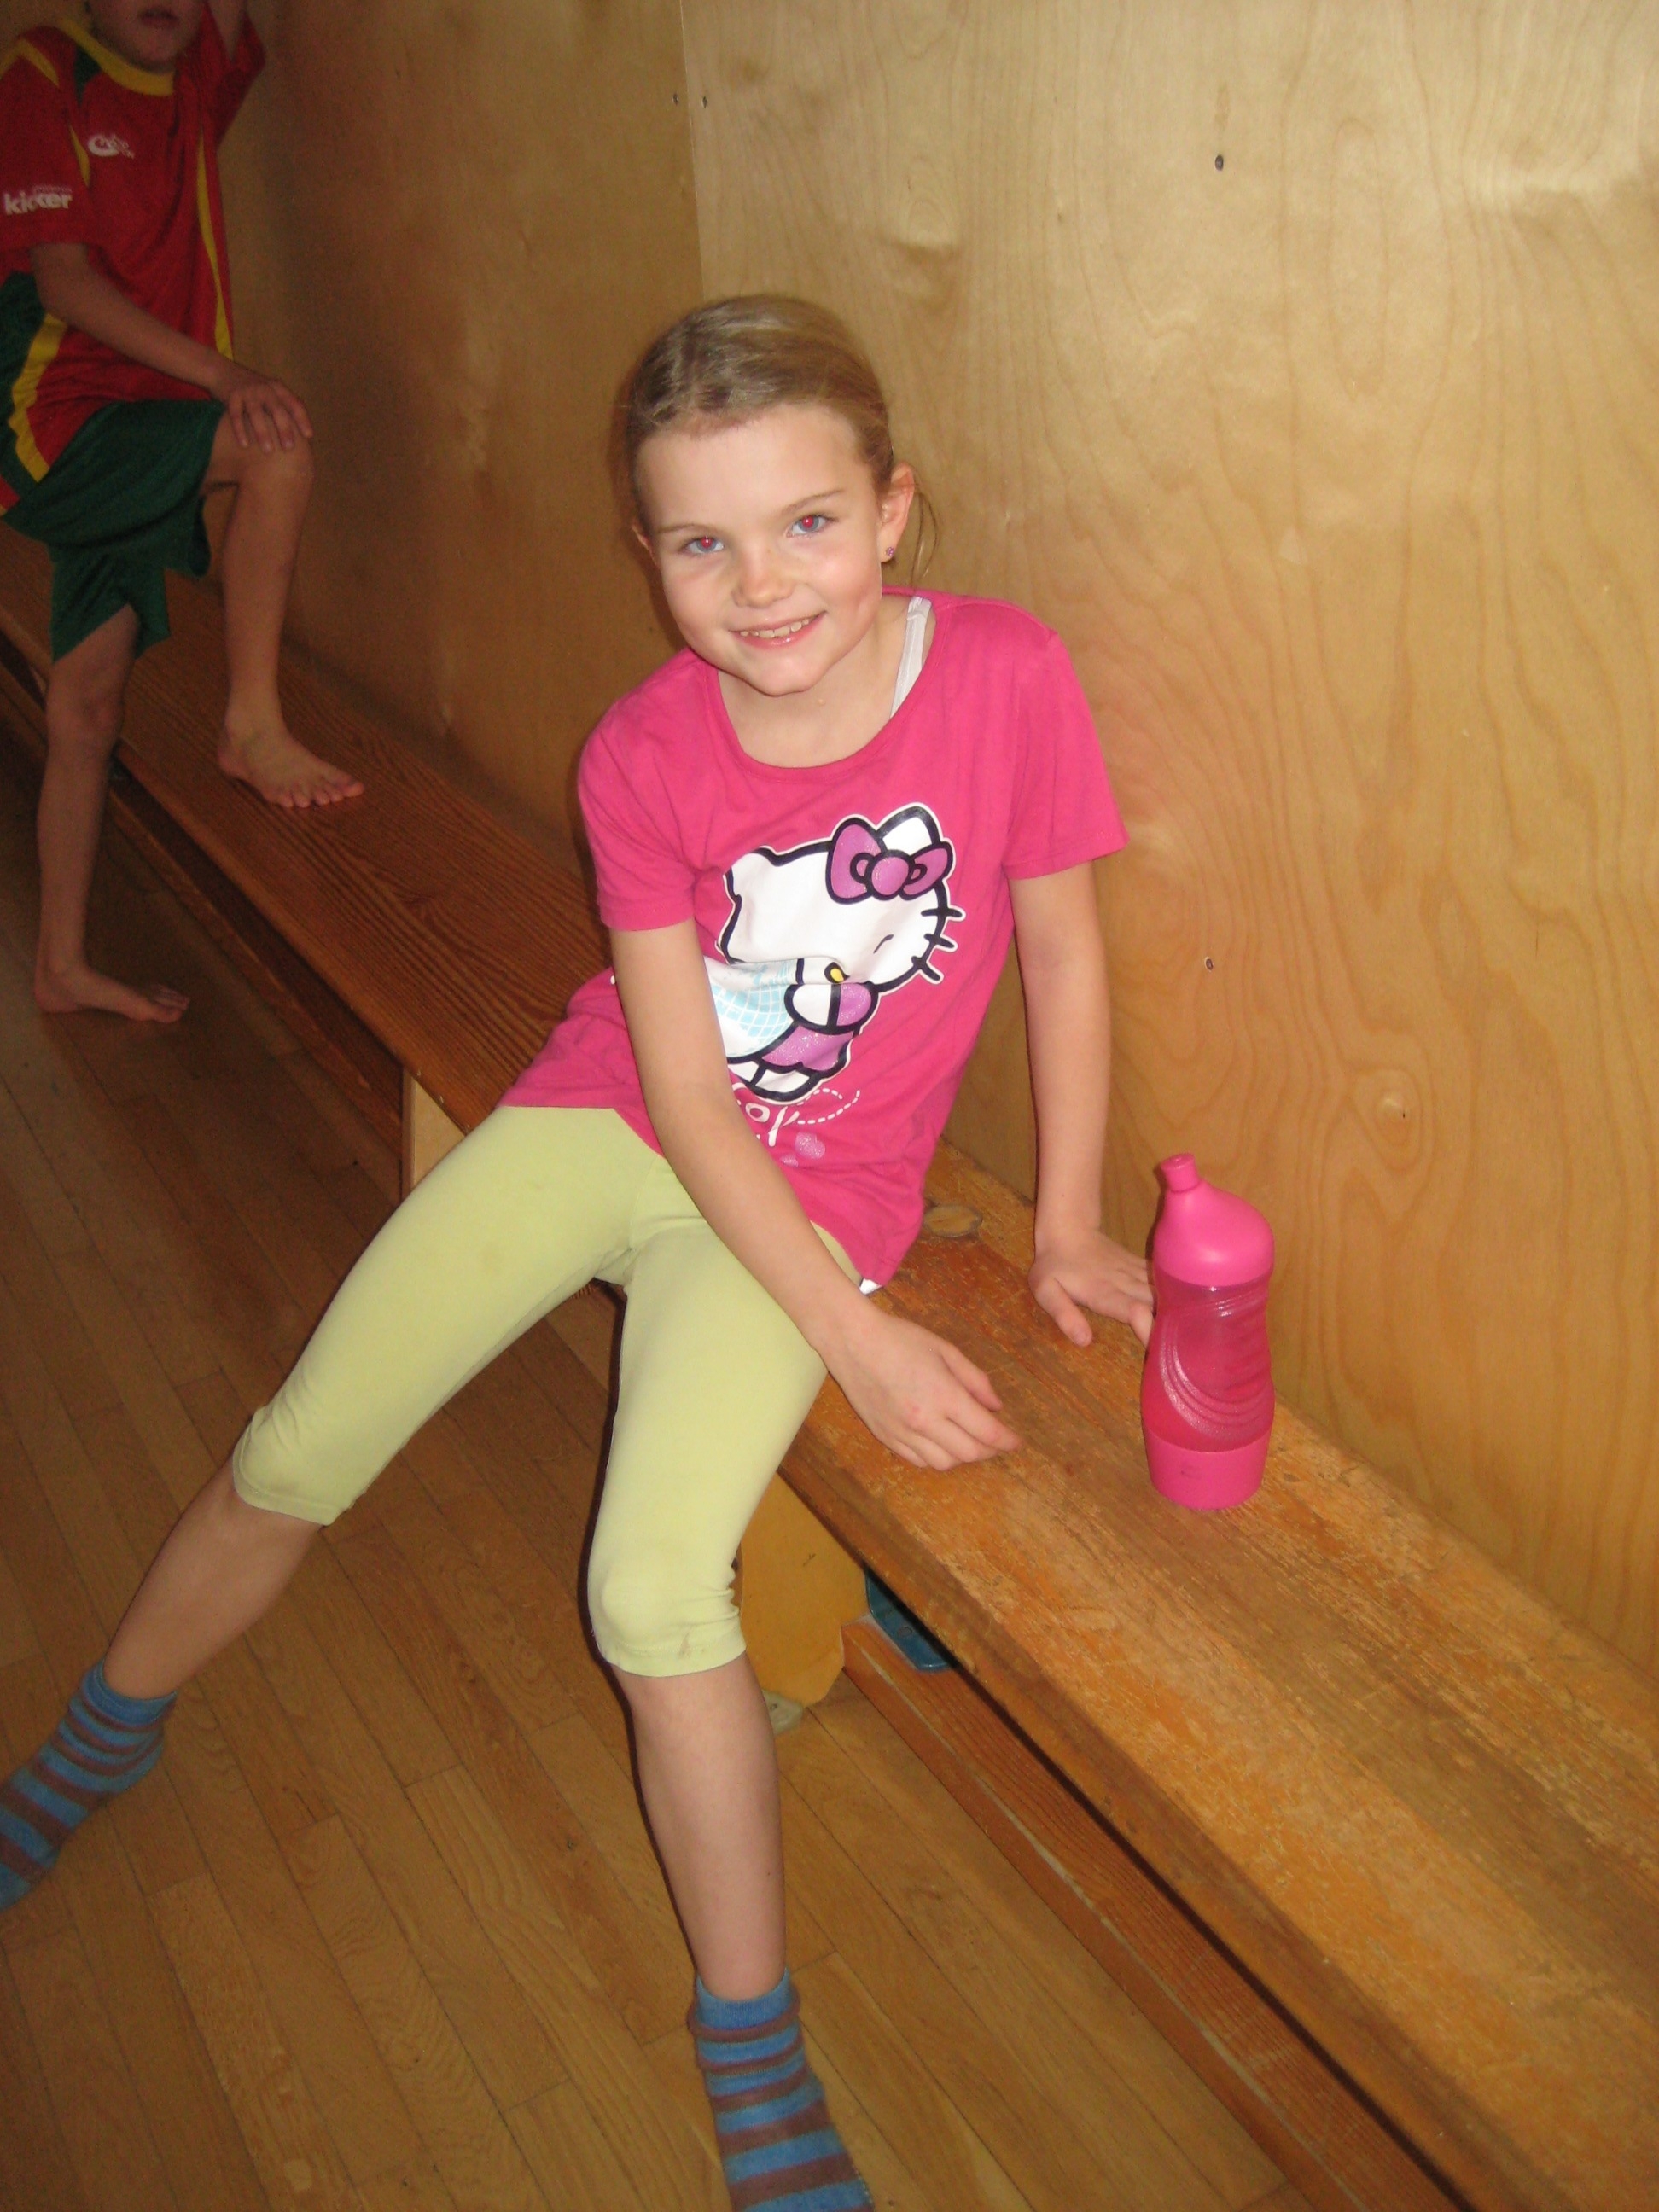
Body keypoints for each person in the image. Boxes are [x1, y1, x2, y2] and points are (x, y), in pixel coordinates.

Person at [0, 294, 1154, 2210]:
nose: (760, 585)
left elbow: (1063, 947)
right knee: (299, 1442)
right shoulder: (640, 752)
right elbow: (681, 1095)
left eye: (804, 523)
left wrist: (1069, 1220)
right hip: (622, 1118)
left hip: (826, 1187)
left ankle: (748, 2032)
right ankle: (95, 1740)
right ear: (647, 551)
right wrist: (854, 1343)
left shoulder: (1006, 677)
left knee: (652, 1592)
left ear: (891, 511)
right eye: (700, 541)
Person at [0, 0, 361, 1027]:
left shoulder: (194, 79)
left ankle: (60, 967)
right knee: (275, 445)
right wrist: (224, 376)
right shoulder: (42, 73)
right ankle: (251, 724)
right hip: (57, 424)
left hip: (142, 425)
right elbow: (63, 282)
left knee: (85, 708)